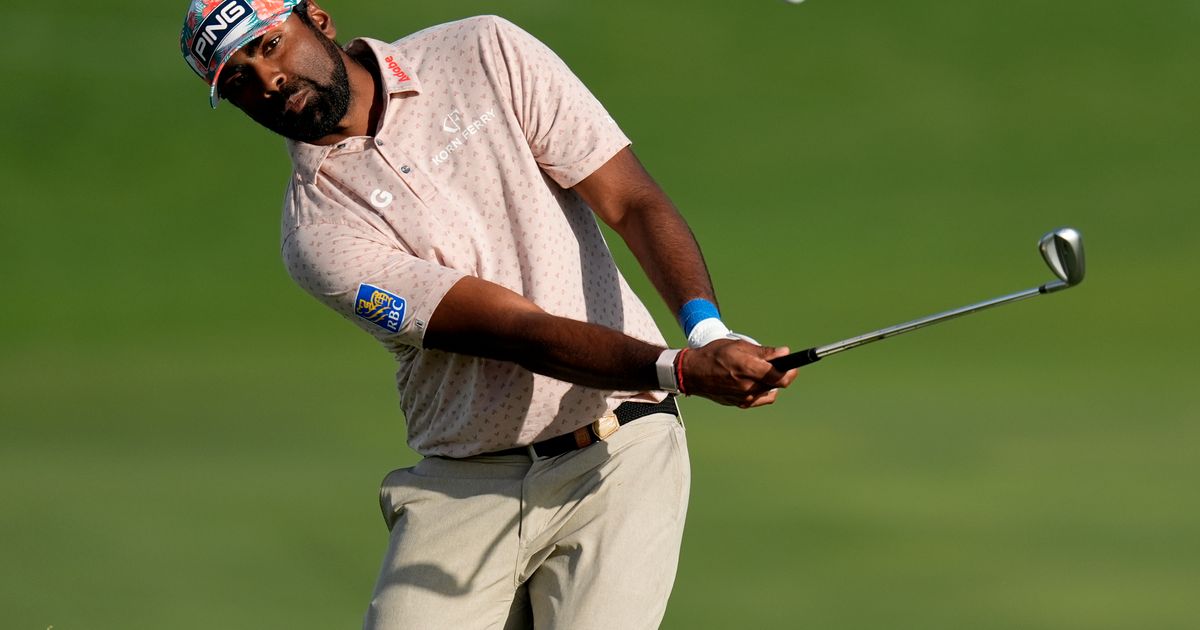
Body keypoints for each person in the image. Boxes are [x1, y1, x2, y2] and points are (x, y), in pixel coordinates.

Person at [180, 1, 798, 627]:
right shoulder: (318, 233)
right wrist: (683, 369)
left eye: (268, 46)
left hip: (620, 453)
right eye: (236, 81)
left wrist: (709, 331)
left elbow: (631, 200)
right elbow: (517, 331)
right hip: (467, 483)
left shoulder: (482, 51)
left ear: (316, 17)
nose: (267, 81)